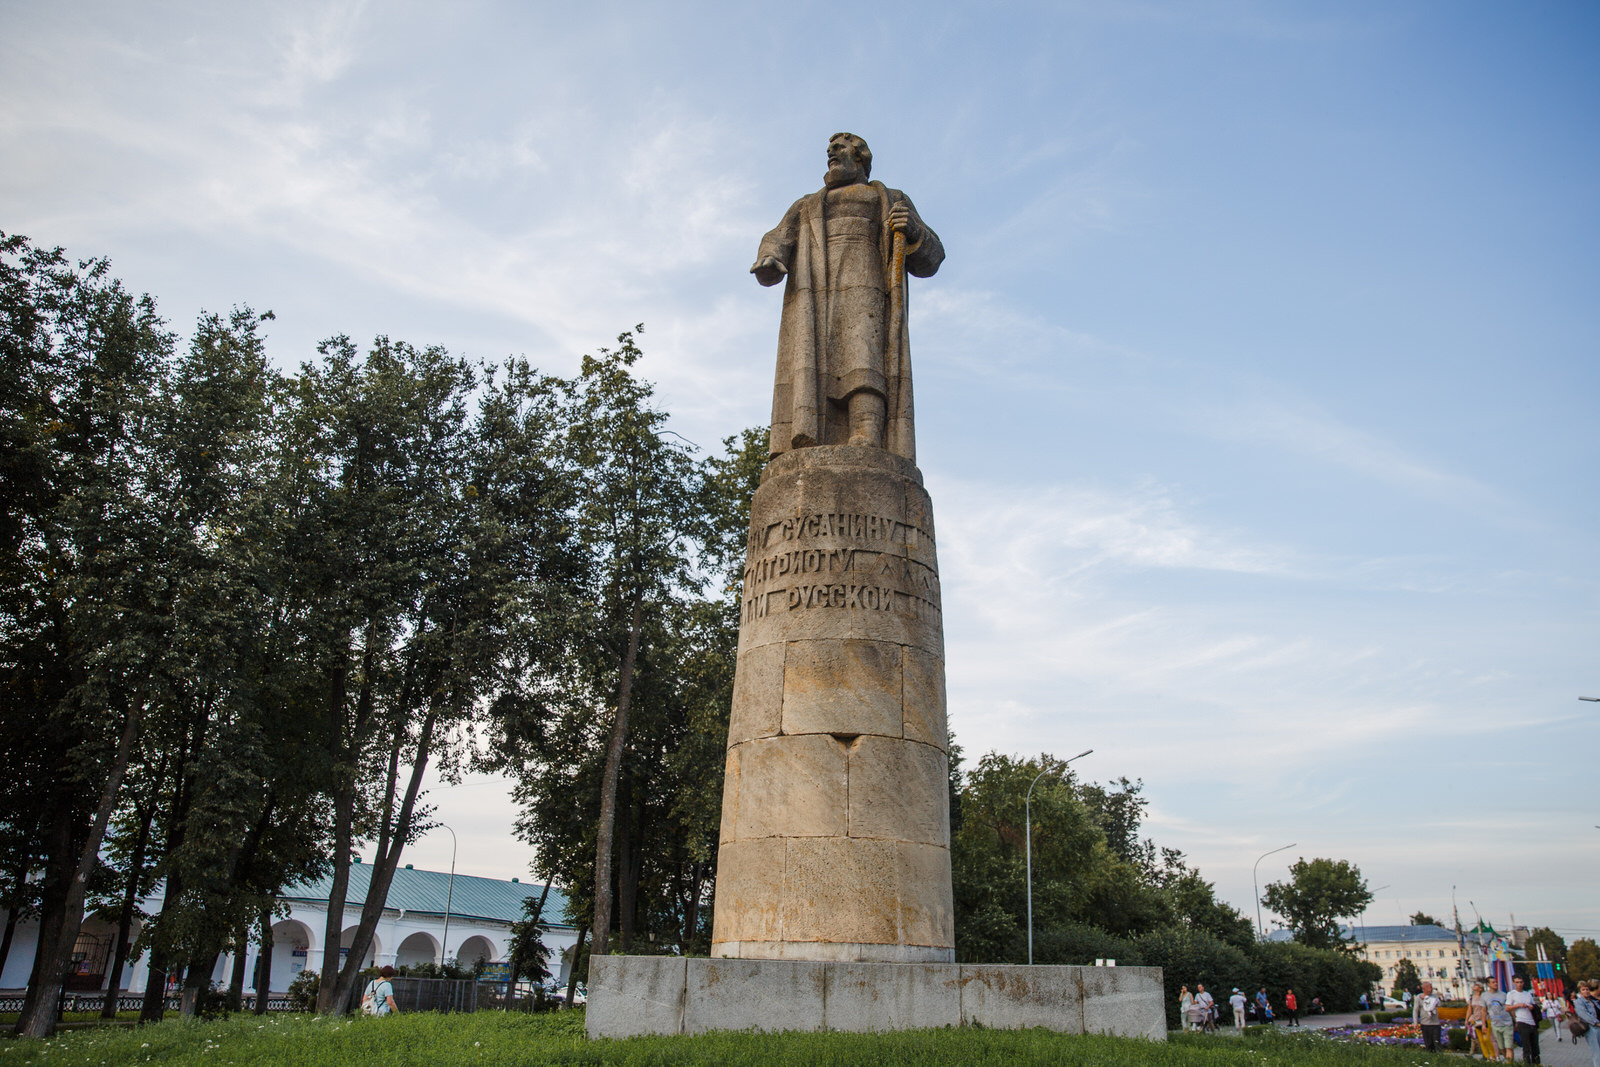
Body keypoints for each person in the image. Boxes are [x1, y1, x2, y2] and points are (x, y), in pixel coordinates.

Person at [751, 133, 945, 461]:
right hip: (816, 293)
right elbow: (777, 237)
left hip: (866, 285)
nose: (830, 152)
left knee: (864, 354)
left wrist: (915, 230)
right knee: (814, 361)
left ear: (860, 158)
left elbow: (932, 258)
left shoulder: (889, 198)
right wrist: (770, 259)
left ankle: (867, 428)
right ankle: (813, 434)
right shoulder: (807, 205)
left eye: (839, 148)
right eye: (829, 149)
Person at [1506, 974, 1540, 1064]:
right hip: (1522, 1021)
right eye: (1517, 982)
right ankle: (1527, 1063)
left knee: (1535, 1047)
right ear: (1514, 983)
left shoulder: (1527, 993)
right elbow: (1507, 1008)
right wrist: (1519, 1005)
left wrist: (1532, 1007)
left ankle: (1536, 1063)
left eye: (1521, 982)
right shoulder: (1511, 994)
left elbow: (1534, 1005)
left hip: (1532, 1021)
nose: (1519, 984)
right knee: (1526, 1046)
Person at [1468, 981, 1501, 1060]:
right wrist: (1467, 1019)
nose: (1474, 986)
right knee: (1481, 1040)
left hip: (1486, 1019)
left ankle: (1493, 1056)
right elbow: (1469, 1009)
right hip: (1476, 1020)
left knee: (1487, 1038)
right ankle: (1487, 1057)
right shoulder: (1471, 998)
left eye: (1476, 985)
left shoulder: (1484, 997)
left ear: (1480, 988)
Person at [1486, 976, 1515, 1062]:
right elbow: (1483, 1010)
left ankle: (1509, 1064)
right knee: (1502, 1047)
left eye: (1496, 982)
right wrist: (1484, 1024)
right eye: (1493, 982)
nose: (1496, 983)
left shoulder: (1503, 994)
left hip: (1507, 1023)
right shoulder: (1485, 996)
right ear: (1488, 984)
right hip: (1495, 1024)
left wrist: (1515, 1020)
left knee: (1508, 1046)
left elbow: (1509, 1007)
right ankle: (1508, 1061)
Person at [1572, 980, 1600, 1067]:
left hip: (1598, 1028)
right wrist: (1596, 1022)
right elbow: (1584, 1015)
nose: (1586, 991)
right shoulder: (1579, 1002)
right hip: (1592, 1028)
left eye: (1587, 989)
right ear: (1580, 991)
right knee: (1597, 1052)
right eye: (1583, 989)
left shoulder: (1592, 1001)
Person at [1414, 981, 1443, 1053]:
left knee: (1437, 1043)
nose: (1432, 988)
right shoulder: (1419, 997)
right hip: (1425, 1024)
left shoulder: (1434, 996)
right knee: (1428, 1044)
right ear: (1424, 988)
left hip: (1435, 1024)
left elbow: (1439, 1004)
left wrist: (1436, 998)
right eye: (1430, 987)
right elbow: (1415, 1010)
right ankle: (1430, 1059)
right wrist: (1415, 1022)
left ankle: (1439, 1059)